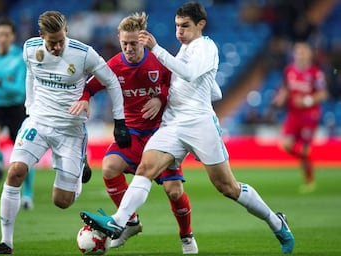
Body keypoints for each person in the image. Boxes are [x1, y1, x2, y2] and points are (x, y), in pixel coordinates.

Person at [80, 2, 295, 254]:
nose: (179, 31)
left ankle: (275, 221)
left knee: (227, 186)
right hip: (173, 123)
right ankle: (119, 222)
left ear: (200, 25)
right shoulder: (184, 49)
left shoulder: (206, 47)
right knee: (146, 168)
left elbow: (191, 74)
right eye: (176, 26)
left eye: (185, 26)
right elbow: (210, 87)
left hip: (199, 124)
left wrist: (157, 49)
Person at [0, 11, 130, 255]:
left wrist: (119, 121)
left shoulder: (84, 54)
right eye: (52, 42)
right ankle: (5, 243)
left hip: (70, 131)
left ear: (67, 34)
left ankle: (79, 165)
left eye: (62, 40)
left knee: (62, 201)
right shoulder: (30, 48)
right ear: (41, 36)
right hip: (38, 123)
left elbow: (112, 81)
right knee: (16, 171)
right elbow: (31, 73)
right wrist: (29, 107)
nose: (58, 46)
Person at [79, 12, 198, 254]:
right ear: (119, 40)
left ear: (142, 40)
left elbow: (178, 85)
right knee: (109, 166)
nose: (130, 48)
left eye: (134, 43)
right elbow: (89, 87)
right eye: (125, 44)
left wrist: (160, 97)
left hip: (161, 133)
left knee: (174, 191)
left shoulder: (158, 61)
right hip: (132, 134)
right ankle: (130, 221)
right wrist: (84, 100)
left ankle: (186, 236)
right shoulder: (113, 66)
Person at [0, 17, 36, 209]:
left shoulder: (19, 58)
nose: (3, 38)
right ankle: (0, 158)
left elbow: (20, 90)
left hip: (15, 109)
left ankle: (27, 194)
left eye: (7, 35)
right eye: (0, 34)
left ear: (13, 37)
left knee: (24, 154)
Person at [273, 41, 328, 194]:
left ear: (309, 54)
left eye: (303, 52)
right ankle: (306, 161)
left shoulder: (315, 73)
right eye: (298, 52)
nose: (300, 55)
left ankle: (309, 179)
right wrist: (281, 96)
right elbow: (286, 87)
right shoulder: (289, 70)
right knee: (285, 145)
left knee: (304, 149)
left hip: (309, 115)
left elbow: (323, 94)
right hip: (293, 114)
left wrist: (307, 100)